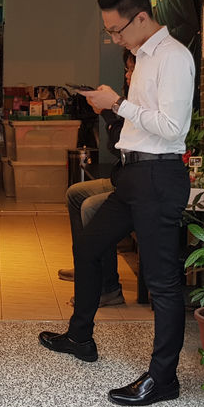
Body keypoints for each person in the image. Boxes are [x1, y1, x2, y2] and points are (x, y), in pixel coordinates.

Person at [39, 0, 194, 407]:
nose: (113, 39)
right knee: (89, 246)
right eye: (109, 31)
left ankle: (163, 379)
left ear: (141, 17)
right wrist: (111, 106)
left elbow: (172, 128)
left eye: (116, 30)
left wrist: (117, 104)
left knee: (162, 282)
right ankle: (80, 336)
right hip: (133, 176)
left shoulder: (173, 58)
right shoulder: (142, 57)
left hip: (158, 179)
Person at [58, 50, 136, 308]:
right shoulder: (126, 101)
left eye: (130, 69)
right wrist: (107, 108)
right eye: (126, 69)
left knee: (91, 207)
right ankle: (86, 268)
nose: (127, 75)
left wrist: (108, 109)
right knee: (75, 194)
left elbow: (118, 145)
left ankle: (108, 287)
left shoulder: (138, 105)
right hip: (121, 179)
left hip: (133, 186)